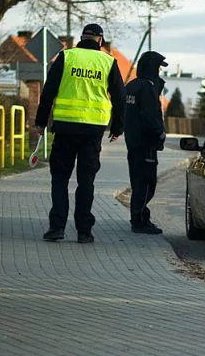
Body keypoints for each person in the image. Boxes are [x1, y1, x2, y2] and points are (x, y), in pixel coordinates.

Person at [35, 23, 125, 243]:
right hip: (93, 131)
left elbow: (48, 91)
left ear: (82, 38)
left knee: (60, 178)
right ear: (100, 40)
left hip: (65, 127)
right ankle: (84, 232)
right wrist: (117, 128)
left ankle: (57, 228)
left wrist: (41, 122)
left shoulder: (66, 57)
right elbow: (120, 97)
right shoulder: (108, 61)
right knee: (86, 181)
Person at [124, 50, 168, 234]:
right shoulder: (148, 88)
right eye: (159, 67)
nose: (160, 71)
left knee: (137, 181)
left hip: (133, 142)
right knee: (147, 183)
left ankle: (140, 216)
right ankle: (139, 220)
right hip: (146, 143)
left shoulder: (131, 86)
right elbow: (150, 116)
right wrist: (160, 134)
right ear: (152, 68)